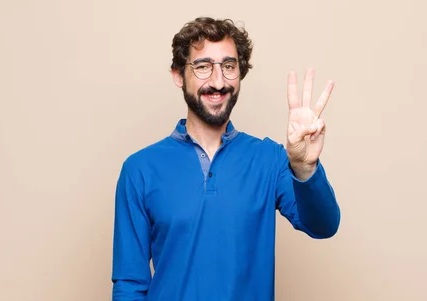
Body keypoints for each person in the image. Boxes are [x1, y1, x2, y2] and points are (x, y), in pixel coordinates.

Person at [111, 17, 341, 301]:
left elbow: (324, 226)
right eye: (203, 67)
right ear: (178, 75)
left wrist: (305, 167)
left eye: (229, 67)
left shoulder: (270, 159)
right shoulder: (140, 169)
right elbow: (129, 284)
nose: (218, 82)